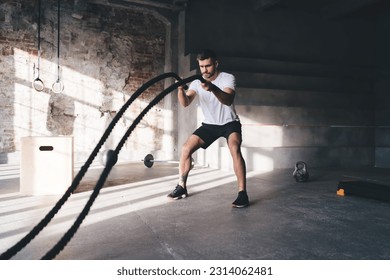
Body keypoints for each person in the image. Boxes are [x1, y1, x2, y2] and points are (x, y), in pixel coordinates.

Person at [167, 49, 249, 208]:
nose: (204, 70)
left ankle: (242, 193)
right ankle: (181, 187)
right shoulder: (197, 82)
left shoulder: (227, 78)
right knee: (185, 149)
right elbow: (185, 103)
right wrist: (179, 90)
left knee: (234, 147)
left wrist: (212, 88)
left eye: (208, 66)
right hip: (210, 125)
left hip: (229, 123)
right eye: (202, 66)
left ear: (216, 63)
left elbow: (228, 100)